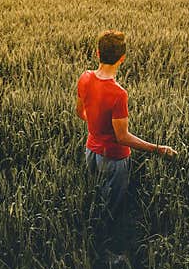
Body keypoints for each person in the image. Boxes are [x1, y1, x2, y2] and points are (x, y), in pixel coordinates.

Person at [76, 30, 177, 225]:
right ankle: (109, 243)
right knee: (112, 208)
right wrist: (158, 149)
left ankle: (91, 229)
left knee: (96, 195)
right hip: (114, 159)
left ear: (97, 53)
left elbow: (80, 112)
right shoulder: (118, 94)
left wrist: (98, 125)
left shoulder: (85, 77)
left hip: (91, 152)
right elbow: (121, 137)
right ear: (122, 59)